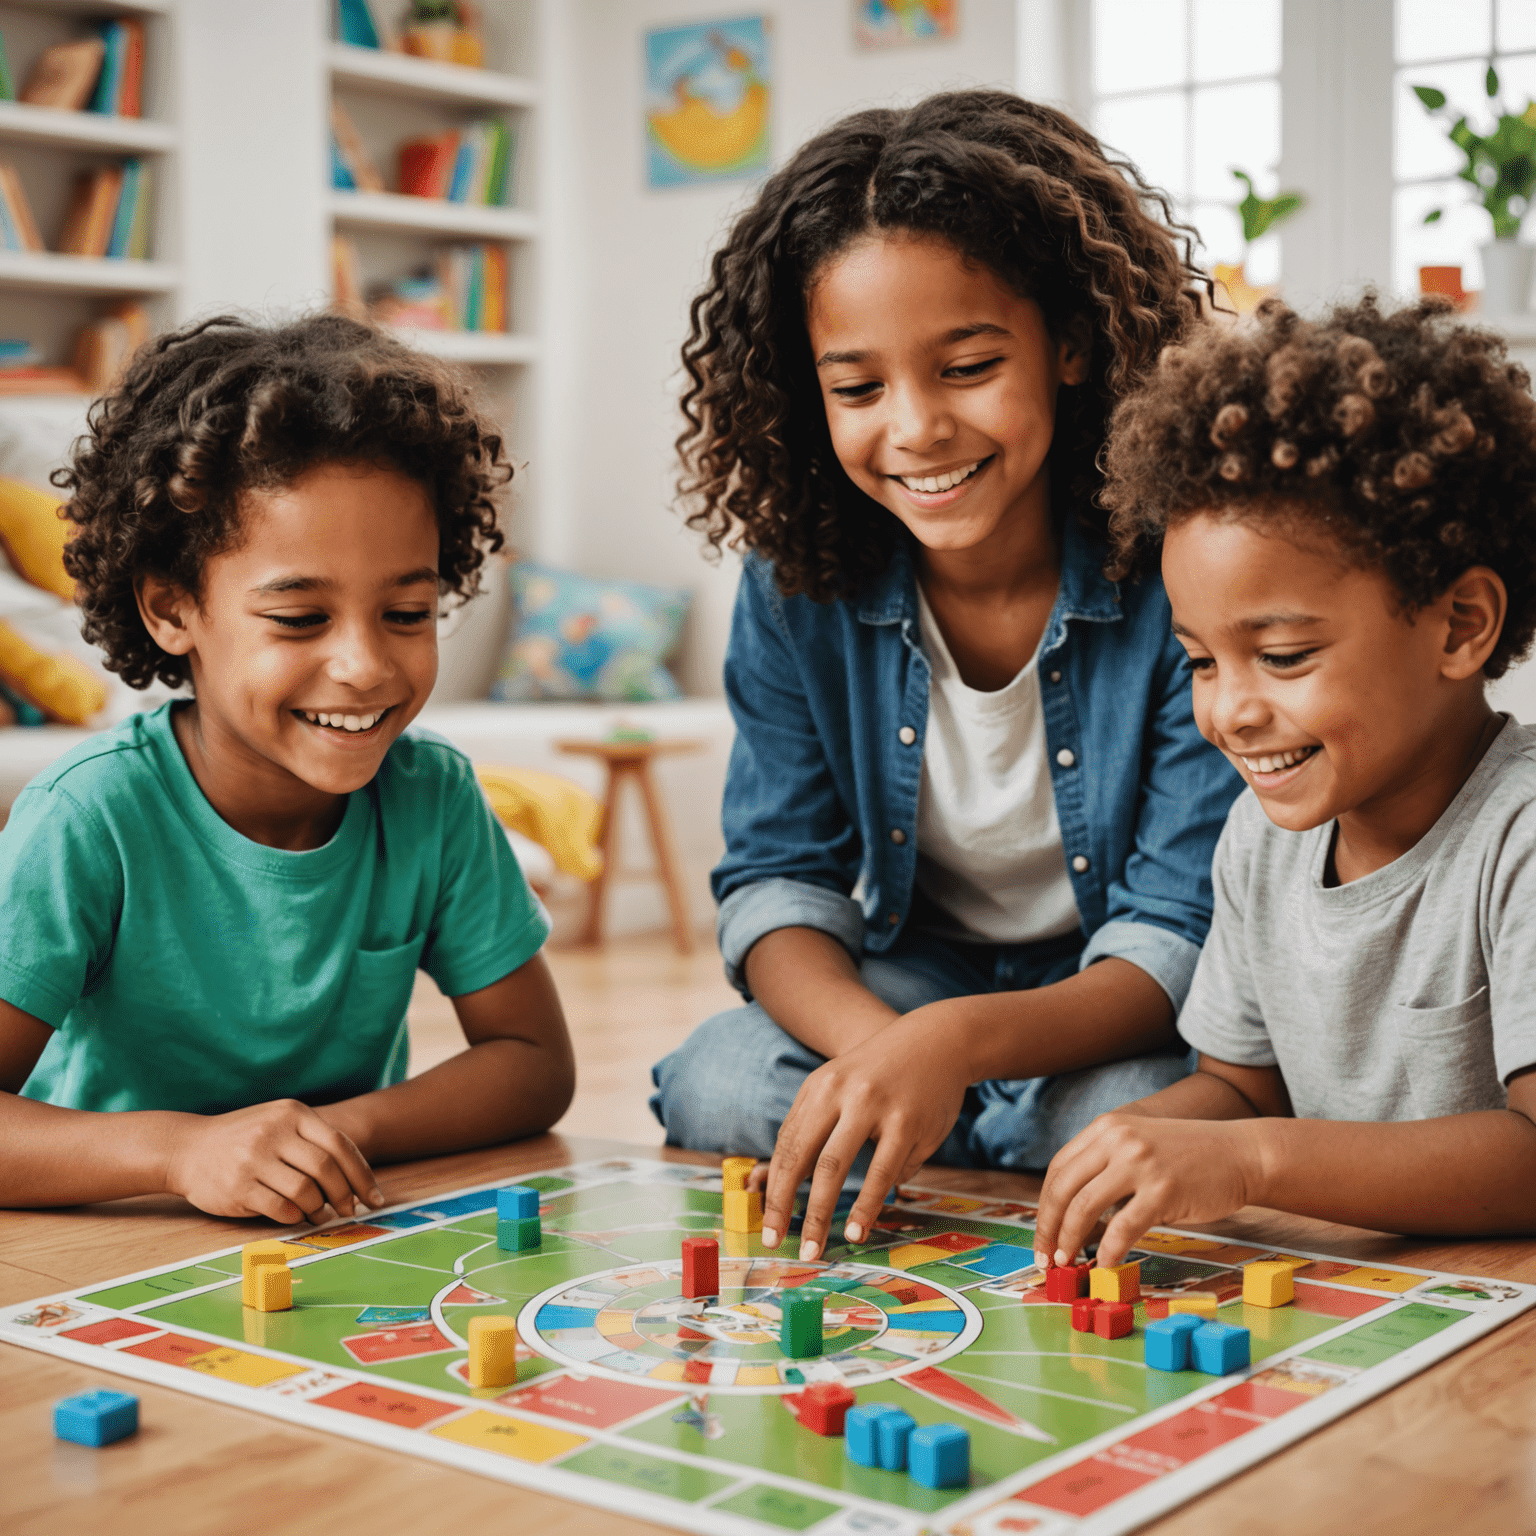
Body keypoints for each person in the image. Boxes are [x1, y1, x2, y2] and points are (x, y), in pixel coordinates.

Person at [650, 91, 1242, 1261]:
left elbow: (1177, 928)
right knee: (721, 1081)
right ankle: (968, 1132)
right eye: (859, 389)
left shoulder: (1181, 562)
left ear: (1071, 343)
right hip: (915, 975)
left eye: (967, 366)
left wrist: (955, 1053)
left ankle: (958, 1129)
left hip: (1109, 994)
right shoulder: (796, 582)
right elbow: (778, 883)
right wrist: (888, 1048)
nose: (915, 428)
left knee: (1132, 1104)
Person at [0, 315, 575, 1222]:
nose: (365, 665)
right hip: (112, 1241)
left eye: (407, 612)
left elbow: (534, 1062)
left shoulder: (434, 800)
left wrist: (330, 1133)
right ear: (169, 608)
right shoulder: (89, 817)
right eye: (301, 619)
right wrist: (183, 1149)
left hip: (324, 1235)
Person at [1032, 294, 1536, 1272]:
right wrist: (1130, 1141)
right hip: (1375, 1299)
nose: (1229, 712)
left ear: (1461, 624)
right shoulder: (1261, 841)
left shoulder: (1520, 836)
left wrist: (1254, 1161)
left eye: (1285, 655)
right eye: (1203, 662)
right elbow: (1241, 1090)